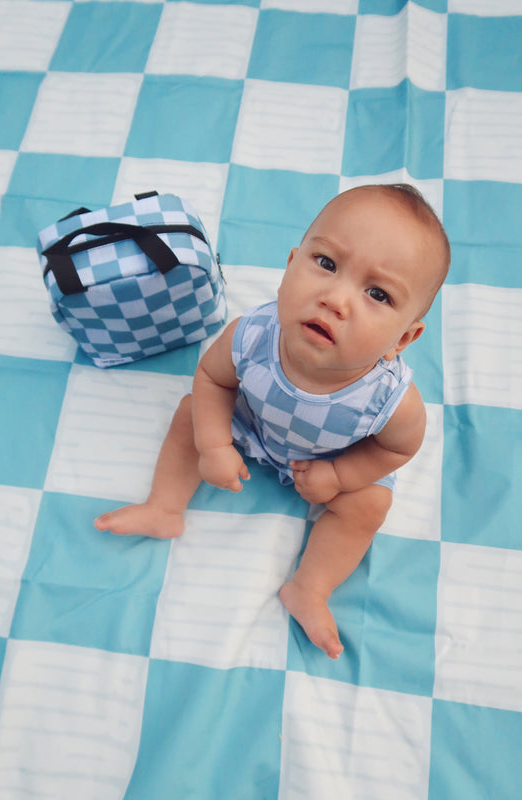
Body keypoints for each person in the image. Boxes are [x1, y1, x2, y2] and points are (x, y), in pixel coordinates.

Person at [95, 184, 451, 660]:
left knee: (368, 507)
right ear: (288, 267)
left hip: (329, 461)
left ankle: (311, 587)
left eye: (377, 294)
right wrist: (217, 445)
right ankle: (164, 506)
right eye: (326, 263)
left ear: (403, 339)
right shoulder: (253, 335)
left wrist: (341, 475)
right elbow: (213, 379)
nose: (336, 299)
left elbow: (397, 450)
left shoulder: (389, 399)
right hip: (254, 425)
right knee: (190, 416)